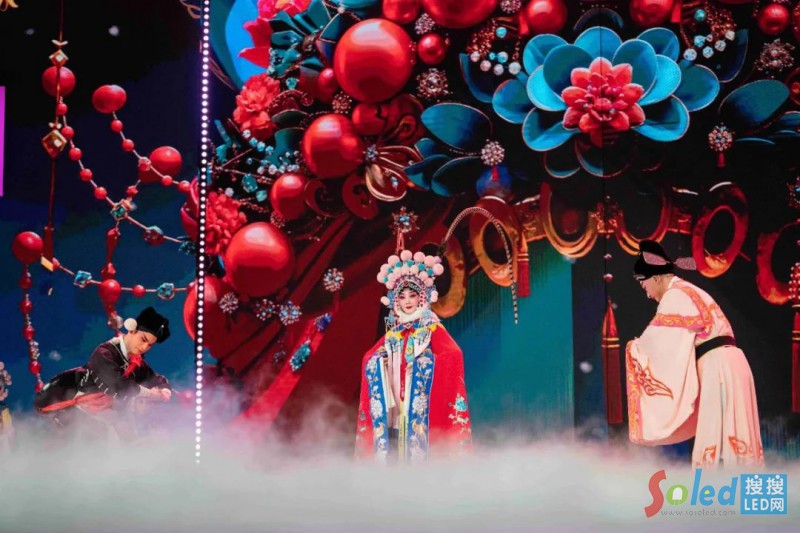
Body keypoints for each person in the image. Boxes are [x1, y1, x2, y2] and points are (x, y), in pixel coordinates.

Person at [626, 240, 764, 468]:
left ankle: (719, 488)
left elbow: (658, 343)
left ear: (656, 277)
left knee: (718, 441)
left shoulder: (675, 296)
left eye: (644, 285)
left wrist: (633, 349)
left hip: (718, 368)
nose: (648, 294)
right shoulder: (689, 291)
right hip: (732, 364)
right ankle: (738, 485)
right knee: (736, 438)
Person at [355, 249, 472, 463]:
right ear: (395, 301)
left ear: (422, 298)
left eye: (412, 296)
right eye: (402, 297)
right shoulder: (394, 333)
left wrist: (424, 365)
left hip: (419, 408)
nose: (407, 302)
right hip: (395, 412)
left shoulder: (431, 328)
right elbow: (368, 358)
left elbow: (452, 355)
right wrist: (382, 362)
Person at [35, 306, 173, 442]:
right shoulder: (104, 353)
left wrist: (165, 391)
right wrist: (151, 394)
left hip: (102, 422)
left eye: (150, 345)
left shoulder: (136, 362)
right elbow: (117, 384)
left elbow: (156, 379)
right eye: (143, 339)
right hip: (74, 415)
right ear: (132, 329)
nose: (144, 347)